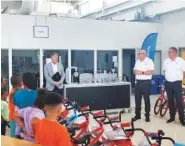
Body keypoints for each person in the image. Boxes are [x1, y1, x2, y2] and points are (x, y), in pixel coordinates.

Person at [163, 47, 185, 126]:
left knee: (179, 101)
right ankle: (172, 117)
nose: (169, 53)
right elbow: (165, 71)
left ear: (175, 53)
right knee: (170, 101)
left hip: (177, 84)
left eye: (171, 52)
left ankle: (182, 119)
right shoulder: (166, 61)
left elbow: (184, 71)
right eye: (168, 52)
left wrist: (180, 79)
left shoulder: (181, 61)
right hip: (168, 84)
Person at [13, 72, 38, 138]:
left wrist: (23, 126)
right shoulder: (38, 94)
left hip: (21, 129)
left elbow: (15, 112)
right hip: (35, 128)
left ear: (23, 82)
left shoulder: (17, 94)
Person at [132, 50, 154, 122]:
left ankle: (147, 116)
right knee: (137, 100)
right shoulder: (137, 61)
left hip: (146, 83)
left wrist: (141, 72)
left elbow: (151, 71)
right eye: (139, 54)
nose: (139, 55)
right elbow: (134, 71)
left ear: (144, 54)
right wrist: (136, 72)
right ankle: (137, 115)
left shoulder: (149, 61)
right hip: (138, 82)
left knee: (146, 100)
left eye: (140, 54)